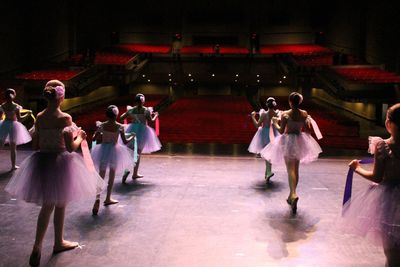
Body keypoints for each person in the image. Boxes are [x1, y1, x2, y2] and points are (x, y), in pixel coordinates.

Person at [5, 80, 104, 267]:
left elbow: (35, 145)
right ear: (62, 96)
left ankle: (38, 245)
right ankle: (58, 242)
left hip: (42, 161)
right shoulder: (65, 118)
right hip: (60, 162)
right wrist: (80, 137)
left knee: (47, 206)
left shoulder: (40, 117)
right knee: (60, 204)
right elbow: (69, 148)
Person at [343, 103, 400, 267]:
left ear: (388, 123)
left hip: (389, 202)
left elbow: (376, 177)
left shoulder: (383, 146)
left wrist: (357, 168)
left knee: (392, 254)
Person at [260, 92, 322, 214]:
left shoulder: (286, 114)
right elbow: (308, 131)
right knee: (296, 169)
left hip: (288, 141)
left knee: (290, 170)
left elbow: (281, 130)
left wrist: (274, 123)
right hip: (299, 140)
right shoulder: (304, 114)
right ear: (299, 102)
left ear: (289, 101)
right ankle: (291, 195)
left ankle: (293, 194)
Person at [91, 105, 135, 215]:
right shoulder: (119, 126)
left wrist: (100, 133)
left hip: (103, 150)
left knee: (101, 175)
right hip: (115, 151)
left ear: (107, 115)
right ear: (116, 115)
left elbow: (93, 139)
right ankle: (108, 198)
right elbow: (125, 141)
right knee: (112, 175)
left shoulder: (102, 125)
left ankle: (97, 198)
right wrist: (132, 137)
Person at [120, 93, 161, 182]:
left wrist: (131, 116)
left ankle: (128, 171)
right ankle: (133, 173)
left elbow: (121, 117)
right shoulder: (146, 110)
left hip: (132, 130)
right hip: (142, 131)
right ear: (143, 101)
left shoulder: (131, 110)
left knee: (131, 152)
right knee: (137, 154)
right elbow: (151, 121)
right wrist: (156, 115)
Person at [248, 97, 280, 183]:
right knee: (269, 153)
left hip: (265, 134)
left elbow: (257, 125)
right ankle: (267, 173)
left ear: (266, 104)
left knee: (267, 154)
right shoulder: (277, 114)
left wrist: (253, 117)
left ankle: (268, 172)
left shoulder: (264, 114)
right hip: (274, 134)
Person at [0, 88, 32, 170]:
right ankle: (13, 166)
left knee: (0, 145)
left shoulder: (2, 106)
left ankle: (13, 166)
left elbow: (0, 118)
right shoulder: (16, 107)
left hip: (4, 124)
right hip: (14, 125)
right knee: (13, 147)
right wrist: (28, 114)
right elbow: (20, 119)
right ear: (13, 96)